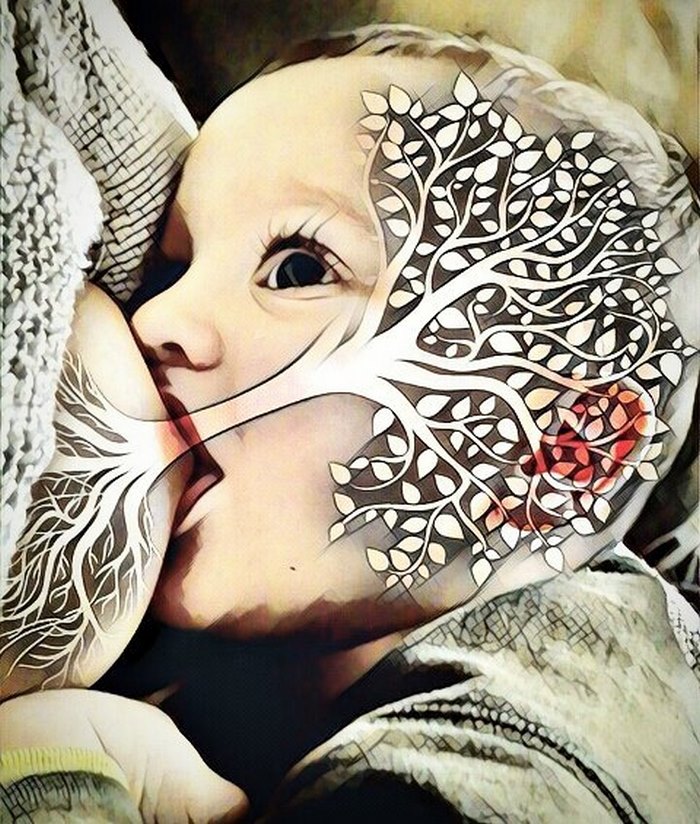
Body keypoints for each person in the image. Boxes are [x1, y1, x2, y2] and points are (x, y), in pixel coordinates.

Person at [2, 24, 699, 823]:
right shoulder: (253, 656)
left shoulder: (556, 726)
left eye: (298, 268)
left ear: (559, 451)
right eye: (173, 267)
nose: (154, 318)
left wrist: (57, 774)